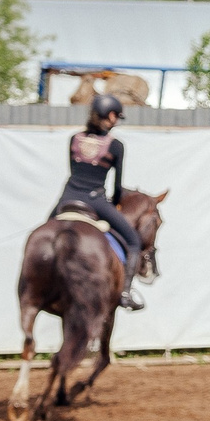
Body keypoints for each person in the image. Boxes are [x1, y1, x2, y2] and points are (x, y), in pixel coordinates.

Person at [59, 93, 146, 310]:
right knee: (134, 240)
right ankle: (125, 293)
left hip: (67, 197)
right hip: (95, 200)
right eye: (117, 116)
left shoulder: (74, 139)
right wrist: (115, 203)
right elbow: (116, 187)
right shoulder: (115, 145)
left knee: (46, 228)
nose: (116, 121)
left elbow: (75, 173)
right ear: (109, 115)